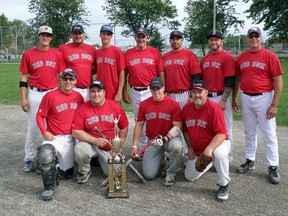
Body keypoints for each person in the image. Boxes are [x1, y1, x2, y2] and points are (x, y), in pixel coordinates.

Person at [232, 27, 284, 184]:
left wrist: (274, 104)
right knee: (249, 132)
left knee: (269, 133)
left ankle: (273, 166)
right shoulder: (241, 58)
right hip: (246, 97)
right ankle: (249, 160)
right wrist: (234, 98)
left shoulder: (270, 56)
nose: (254, 38)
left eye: (257, 36)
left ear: (261, 38)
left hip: (264, 97)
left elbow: (278, 81)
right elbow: (238, 79)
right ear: (247, 39)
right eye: (251, 36)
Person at [19, 25, 66, 172]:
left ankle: (53, 157)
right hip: (35, 93)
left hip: (52, 93)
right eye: (42, 35)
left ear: (51, 38)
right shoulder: (29, 54)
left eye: (48, 35)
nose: (45, 38)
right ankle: (29, 159)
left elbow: (61, 76)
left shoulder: (57, 54)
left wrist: (62, 94)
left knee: (53, 128)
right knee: (33, 128)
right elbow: (24, 77)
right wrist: (23, 98)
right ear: (38, 36)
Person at [36, 68, 84, 201]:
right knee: (45, 153)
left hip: (70, 139)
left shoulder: (79, 97)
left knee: (67, 175)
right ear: (60, 80)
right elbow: (39, 116)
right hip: (54, 137)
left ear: (75, 81)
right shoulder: (50, 96)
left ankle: (55, 165)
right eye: (65, 78)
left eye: (71, 79)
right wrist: (44, 131)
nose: (68, 81)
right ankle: (48, 188)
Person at [182, 80, 231, 201]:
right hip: (198, 149)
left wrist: (209, 149)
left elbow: (221, 133)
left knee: (219, 154)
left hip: (218, 143)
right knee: (189, 177)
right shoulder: (187, 108)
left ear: (206, 93)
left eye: (200, 92)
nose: (197, 95)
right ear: (190, 94)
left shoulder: (214, 108)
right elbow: (185, 130)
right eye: (194, 92)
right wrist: (190, 147)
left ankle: (224, 184)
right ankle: (210, 162)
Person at [72, 80, 129, 184]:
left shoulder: (115, 107)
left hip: (108, 148)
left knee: (115, 172)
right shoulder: (83, 108)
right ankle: (84, 171)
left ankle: (100, 160)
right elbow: (76, 132)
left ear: (104, 92)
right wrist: (95, 140)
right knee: (80, 148)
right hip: (91, 143)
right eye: (93, 91)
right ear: (90, 93)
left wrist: (118, 148)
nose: (96, 94)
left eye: (99, 91)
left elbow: (124, 127)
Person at [130, 77, 182, 186]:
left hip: (170, 139)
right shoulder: (144, 104)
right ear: (150, 89)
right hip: (154, 140)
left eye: (158, 88)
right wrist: (135, 146)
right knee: (149, 175)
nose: (156, 91)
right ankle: (163, 161)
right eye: (153, 89)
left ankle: (171, 173)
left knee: (177, 147)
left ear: (164, 88)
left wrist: (165, 138)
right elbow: (139, 125)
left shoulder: (173, 104)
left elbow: (178, 127)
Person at [123, 27, 164, 148]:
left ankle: (155, 145)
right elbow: (124, 75)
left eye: (143, 36)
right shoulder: (128, 53)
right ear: (135, 38)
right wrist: (125, 92)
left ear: (147, 38)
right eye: (139, 36)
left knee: (153, 117)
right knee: (138, 119)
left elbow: (161, 72)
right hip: (135, 90)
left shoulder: (154, 52)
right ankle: (141, 146)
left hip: (151, 90)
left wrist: (163, 88)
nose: (141, 39)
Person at [200, 30, 236, 163]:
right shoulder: (205, 59)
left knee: (225, 128)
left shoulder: (227, 57)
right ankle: (209, 155)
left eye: (216, 39)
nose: (213, 42)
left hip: (220, 96)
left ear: (222, 41)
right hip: (206, 97)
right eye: (211, 39)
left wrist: (224, 99)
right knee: (207, 127)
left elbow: (230, 80)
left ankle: (228, 157)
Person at [163, 30, 201, 109]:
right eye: (173, 39)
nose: (175, 41)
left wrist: (192, 95)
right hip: (170, 94)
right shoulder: (165, 56)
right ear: (170, 41)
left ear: (182, 40)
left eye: (178, 39)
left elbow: (195, 76)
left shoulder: (190, 55)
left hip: (185, 94)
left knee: (186, 119)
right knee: (171, 120)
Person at [58, 24, 96, 101]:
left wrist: (85, 73)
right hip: (72, 88)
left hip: (88, 89)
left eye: (80, 33)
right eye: (75, 33)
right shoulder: (63, 48)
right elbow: (58, 69)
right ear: (71, 35)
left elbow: (96, 68)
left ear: (84, 35)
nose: (78, 36)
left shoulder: (92, 49)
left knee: (88, 112)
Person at [95, 24, 125, 103]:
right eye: (104, 34)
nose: (106, 37)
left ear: (111, 36)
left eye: (108, 34)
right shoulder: (97, 52)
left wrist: (119, 92)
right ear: (100, 35)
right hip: (99, 90)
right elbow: (95, 69)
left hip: (113, 90)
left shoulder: (117, 51)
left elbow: (122, 72)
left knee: (114, 114)